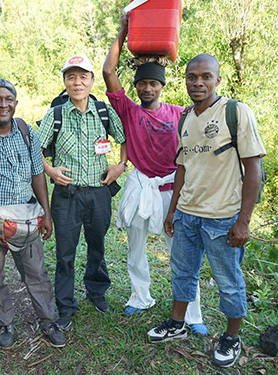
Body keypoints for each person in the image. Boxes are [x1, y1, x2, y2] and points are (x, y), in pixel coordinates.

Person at [146, 54, 266, 368]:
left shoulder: (235, 112)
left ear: (217, 80)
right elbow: (182, 167)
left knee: (228, 281)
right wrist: (173, 210)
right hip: (187, 215)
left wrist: (244, 220)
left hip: (223, 219)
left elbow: (254, 169)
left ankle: (231, 337)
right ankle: (177, 323)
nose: (198, 83)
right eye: (192, 77)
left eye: (205, 77)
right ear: (185, 80)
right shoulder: (185, 118)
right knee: (182, 273)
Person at [102, 15, 208, 335]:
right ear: (136, 87)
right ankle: (141, 296)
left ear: (161, 86)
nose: (147, 88)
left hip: (172, 190)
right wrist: (123, 28)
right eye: (142, 84)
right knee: (135, 246)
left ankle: (192, 314)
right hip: (140, 184)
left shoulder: (179, 112)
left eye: (153, 83)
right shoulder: (129, 110)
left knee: (182, 252)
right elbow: (108, 72)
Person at [0, 78, 66, 349]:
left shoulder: (26, 130)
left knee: (36, 271)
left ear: (15, 104)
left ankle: (48, 320)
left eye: (8, 99)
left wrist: (46, 214)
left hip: (26, 216)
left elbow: (37, 174)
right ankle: (5, 322)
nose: (3, 104)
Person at [37, 55, 127, 330]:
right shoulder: (56, 114)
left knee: (97, 245)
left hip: (99, 193)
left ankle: (97, 292)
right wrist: (50, 171)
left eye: (83, 77)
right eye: (71, 77)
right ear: (65, 82)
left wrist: (121, 165)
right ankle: (65, 304)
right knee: (65, 251)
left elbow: (124, 140)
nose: (77, 82)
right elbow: (35, 152)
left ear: (91, 81)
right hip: (67, 196)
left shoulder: (104, 112)